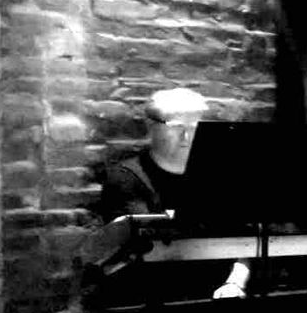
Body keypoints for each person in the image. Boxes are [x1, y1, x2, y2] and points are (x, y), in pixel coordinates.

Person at [96, 86, 250, 298]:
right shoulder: (125, 179)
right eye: (176, 127)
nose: (187, 136)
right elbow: (138, 250)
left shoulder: (219, 177)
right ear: (151, 127)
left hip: (220, 296)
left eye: (195, 128)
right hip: (154, 299)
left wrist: (235, 283)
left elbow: (245, 241)